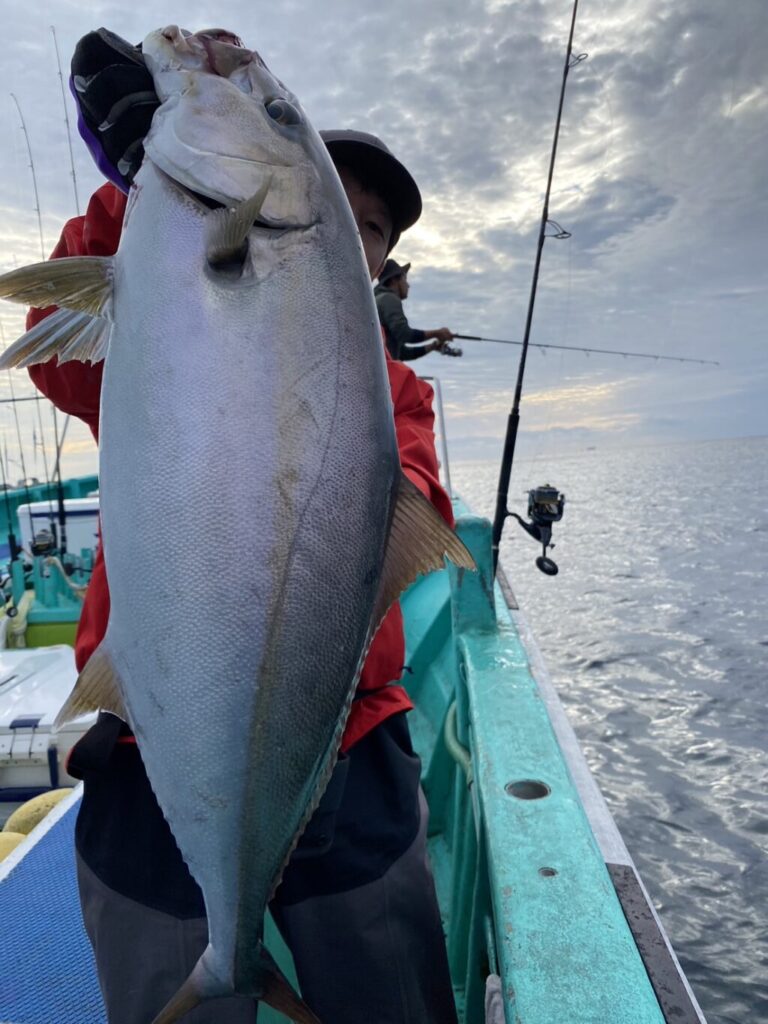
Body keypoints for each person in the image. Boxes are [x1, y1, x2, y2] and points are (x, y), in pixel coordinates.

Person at [26, 28, 459, 1024]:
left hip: (349, 739)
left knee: (389, 997)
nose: (359, 231)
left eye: (376, 227)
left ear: (380, 258)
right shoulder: (162, 316)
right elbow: (57, 358)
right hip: (152, 735)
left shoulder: (398, 394)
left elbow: (415, 511)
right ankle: (225, 959)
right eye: (344, 204)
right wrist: (134, 194)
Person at [374, 258, 457, 361]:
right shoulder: (389, 299)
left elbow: (403, 353)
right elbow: (405, 334)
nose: (408, 285)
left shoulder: (379, 299)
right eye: (405, 279)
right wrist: (437, 333)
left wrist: (433, 346)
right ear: (394, 280)